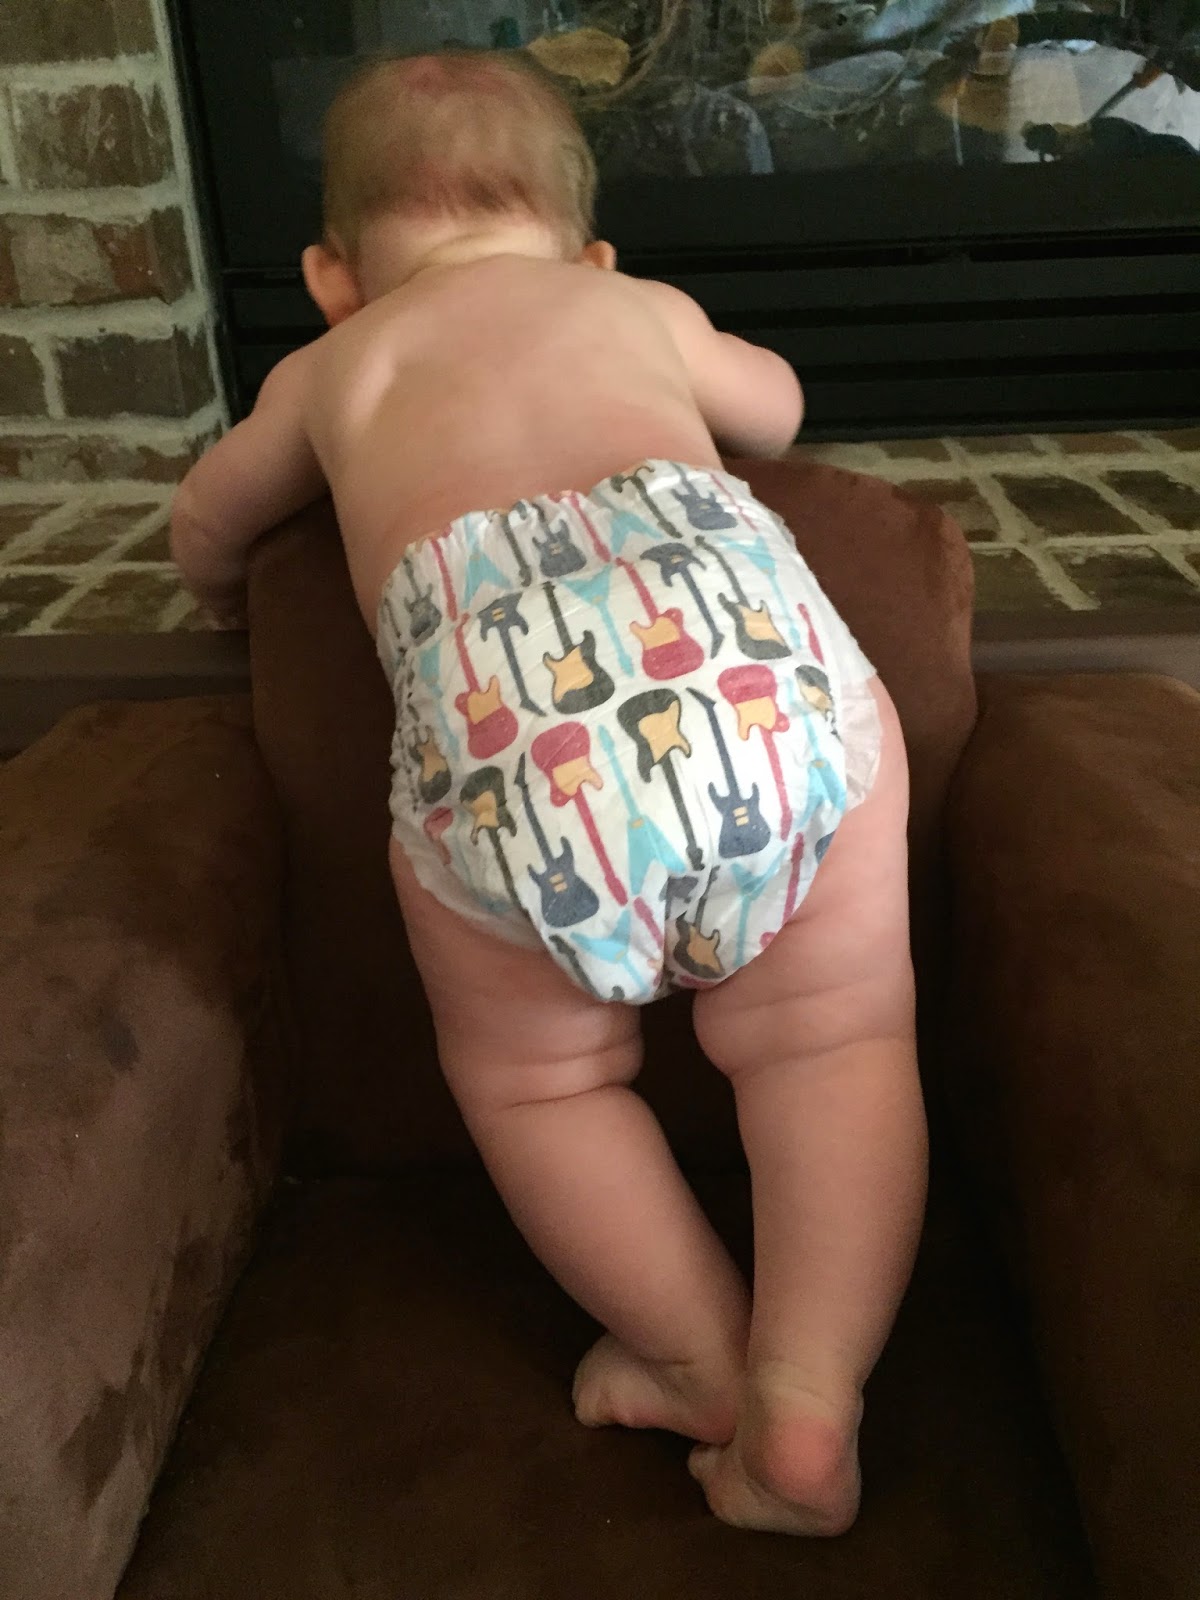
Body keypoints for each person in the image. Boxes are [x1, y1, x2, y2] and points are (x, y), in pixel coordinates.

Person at [171, 49, 926, 1536]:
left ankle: (700, 1361)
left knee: (543, 1084)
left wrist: (219, 598)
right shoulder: (633, 309)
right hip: (757, 684)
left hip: (514, 744)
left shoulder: (331, 369)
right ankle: (810, 1394)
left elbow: (209, 518)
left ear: (333, 278)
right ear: (591, 253)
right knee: (835, 1034)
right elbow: (775, 410)